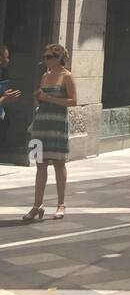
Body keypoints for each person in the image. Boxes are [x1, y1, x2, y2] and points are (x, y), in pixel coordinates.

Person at [22, 43, 76, 222]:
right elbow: (41, 102)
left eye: (48, 57)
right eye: (44, 57)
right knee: (40, 165)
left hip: (58, 125)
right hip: (41, 124)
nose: (45, 60)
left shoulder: (67, 76)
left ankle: (61, 203)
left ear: (58, 58)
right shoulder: (45, 76)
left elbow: (73, 101)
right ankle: (37, 205)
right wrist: (38, 98)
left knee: (59, 164)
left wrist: (50, 98)